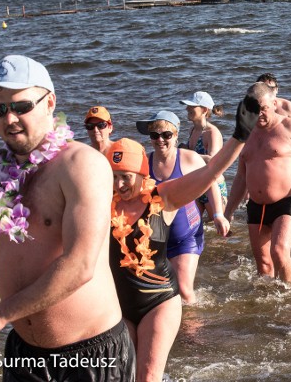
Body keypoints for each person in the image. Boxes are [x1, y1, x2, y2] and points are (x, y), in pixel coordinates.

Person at [0, 54, 135, 380]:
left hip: (92, 354)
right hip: (23, 354)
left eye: (21, 106)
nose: (9, 118)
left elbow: (80, 265)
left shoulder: (80, 166)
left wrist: (2, 313)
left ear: (50, 102)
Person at [106, 98, 252, 382]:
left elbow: (210, 173)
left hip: (159, 302)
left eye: (125, 177)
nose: (119, 185)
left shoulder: (164, 197)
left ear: (140, 173)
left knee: (147, 378)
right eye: (114, 177)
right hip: (118, 304)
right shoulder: (102, 204)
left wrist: (240, 136)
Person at [235, 82, 291, 283]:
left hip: (287, 201)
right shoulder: (246, 132)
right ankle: (269, 310)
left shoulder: (289, 126)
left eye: (264, 109)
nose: (259, 115)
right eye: (254, 110)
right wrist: (226, 213)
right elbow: (241, 177)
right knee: (263, 265)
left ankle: (290, 297)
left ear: (274, 103)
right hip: (256, 206)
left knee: (280, 251)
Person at [136, 110, 228, 305]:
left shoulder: (189, 158)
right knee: (163, 293)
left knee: (184, 292)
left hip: (186, 234)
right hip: (156, 240)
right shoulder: (144, 162)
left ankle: (194, 333)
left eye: (166, 135)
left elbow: (211, 180)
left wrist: (218, 214)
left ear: (176, 135)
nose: (160, 140)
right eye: (155, 135)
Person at [179, 91, 228, 217]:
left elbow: (213, 162)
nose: (187, 108)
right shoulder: (192, 129)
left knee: (218, 232)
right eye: (187, 106)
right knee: (195, 227)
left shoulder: (212, 133)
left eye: (192, 106)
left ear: (205, 110)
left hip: (213, 186)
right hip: (196, 185)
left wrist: (185, 154)